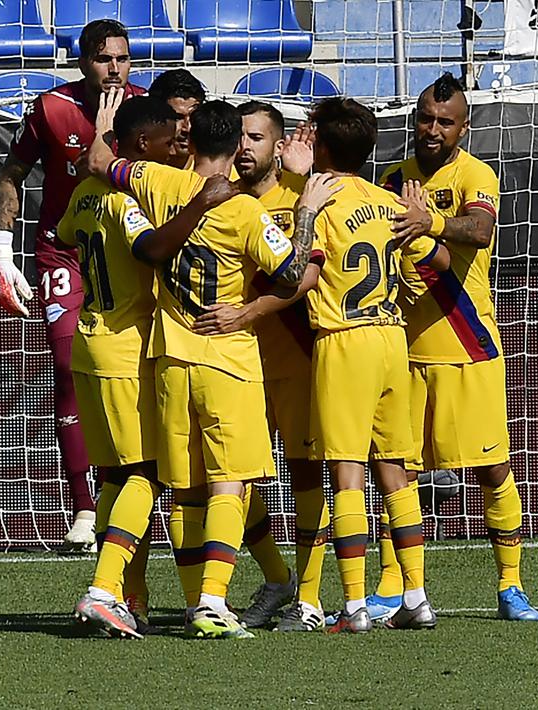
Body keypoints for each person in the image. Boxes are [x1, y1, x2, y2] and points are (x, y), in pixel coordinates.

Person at [85, 92, 330, 639]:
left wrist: (104, 132)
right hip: (228, 359)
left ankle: (181, 596)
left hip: (169, 357)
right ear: (235, 144)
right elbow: (291, 272)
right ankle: (212, 603)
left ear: (190, 140)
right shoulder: (245, 210)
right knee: (230, 485)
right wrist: (307, 215)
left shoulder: (154, 182)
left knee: (185, 487)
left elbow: (101, 164)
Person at [64, 96, 236, 638]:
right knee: (148, 473)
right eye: (168, 142)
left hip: (89, 342)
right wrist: (201, 204)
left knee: (117, 475)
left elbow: (67, 235)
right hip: (123, 346)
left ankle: (127, 596)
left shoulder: (85, 194)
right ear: (142, 145)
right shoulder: (122, 199)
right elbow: (153, 248)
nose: (175, 149)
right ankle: (103, 589)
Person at [383, 73, 538, 621]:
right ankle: (399, 587)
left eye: (444, 121)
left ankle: (510, 585)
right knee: (394, 467)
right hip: (401, 346)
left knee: (491, 467)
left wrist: (432, 221)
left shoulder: (476, 174)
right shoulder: (389, 179)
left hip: (466, 340)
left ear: (463, 127)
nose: (432, 129)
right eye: (425, 118)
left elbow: (479, 231)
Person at [0, 19, 145, 552]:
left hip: (129, 253)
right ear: (83, 61)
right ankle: (84, 506)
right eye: (105, 59)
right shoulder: (52, 107)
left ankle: (140, 493)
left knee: (134, 370)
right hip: (65, 251)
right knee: (69, 364)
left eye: (122, 58)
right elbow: (12, 172)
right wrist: (1, 251)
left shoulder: (146, 107)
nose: (115, 69)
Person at [302, 97, 451, 634]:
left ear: (319, 144)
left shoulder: (318, 202)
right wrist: (423, 223)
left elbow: (298, 272)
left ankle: (356, 606)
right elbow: (440, 260)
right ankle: (416, 597)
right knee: (395, 475)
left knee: (346, 473)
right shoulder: (388, 201)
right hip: (393, 340)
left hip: (344, 340)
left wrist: (302, 209)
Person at [191, 101, 327, 632]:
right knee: (230, 480)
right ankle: (276, 578)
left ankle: (310, 599)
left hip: (293, 356)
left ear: (279, 144)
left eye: (257, 138)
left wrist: (245, 313)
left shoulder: (298, 197)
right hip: (232, 362)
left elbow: (305, 278)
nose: (246, 148)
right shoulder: (210, 195)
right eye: (240, 138)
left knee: (305, 473)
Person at [145, 68, 205, 166]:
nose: (187, 128)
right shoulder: (135, 174)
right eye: (177, 117)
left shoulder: (218, 174)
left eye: (193, 116)